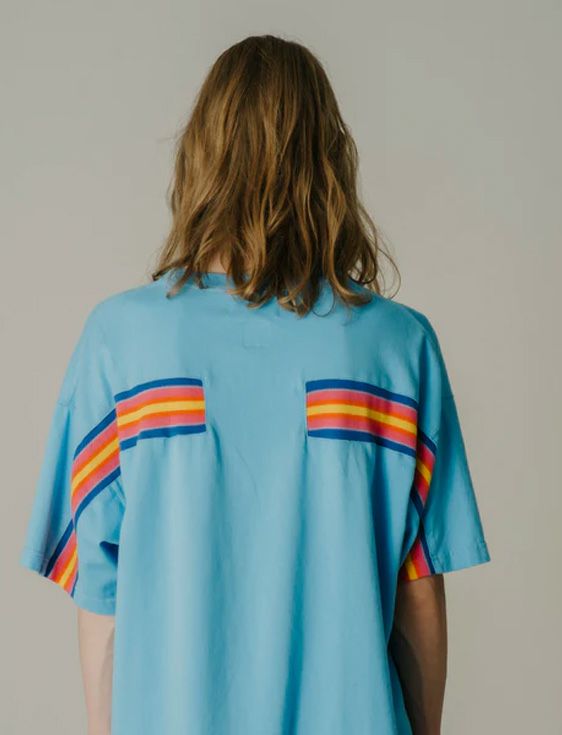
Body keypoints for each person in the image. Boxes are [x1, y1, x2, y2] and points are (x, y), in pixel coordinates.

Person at [20, 34, 490, 735]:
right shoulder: (398, 346)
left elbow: (103, 596)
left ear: (201, 156)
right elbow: (418, 594)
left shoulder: (121, 341)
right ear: (328, 161)